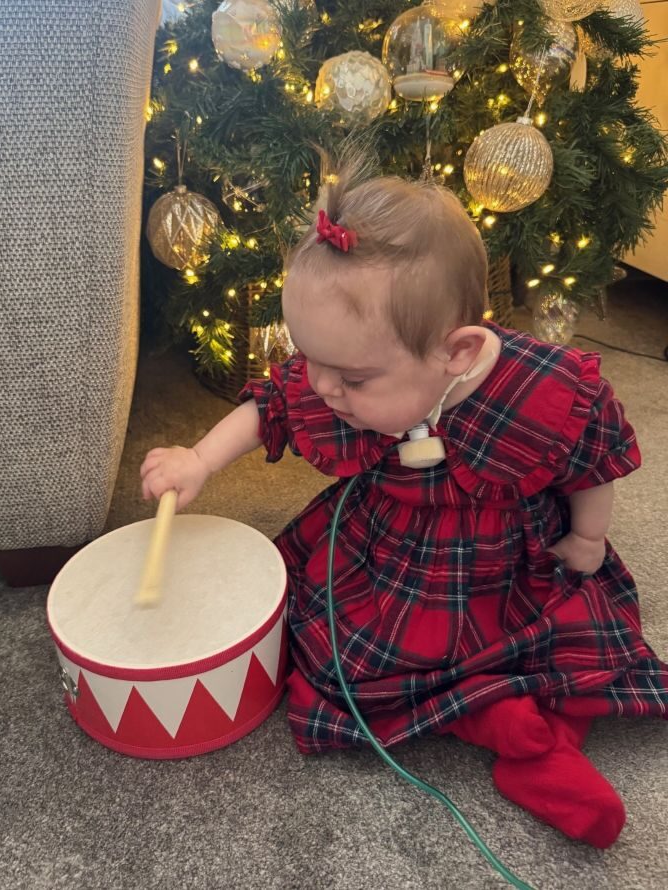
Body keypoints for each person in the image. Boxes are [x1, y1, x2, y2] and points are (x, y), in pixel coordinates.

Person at [140, 162, 668, 848]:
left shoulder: (543, 389)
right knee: (342, 651)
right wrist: (199, 459)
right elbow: (271, 407)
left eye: (352, 378)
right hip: (386, 544)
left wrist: (589, 540)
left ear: (458, 352)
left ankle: (545, 747)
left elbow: (592, 460)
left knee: (566, 644)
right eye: (309, 357)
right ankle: (504, 723)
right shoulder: (340, 370)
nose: (321, 386)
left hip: (507, 560)